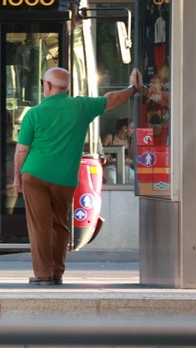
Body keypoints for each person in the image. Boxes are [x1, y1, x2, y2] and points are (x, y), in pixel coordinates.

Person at [13, 66, 142, 286]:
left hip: (35, 176)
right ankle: (56, 273)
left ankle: (43, 274)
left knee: (40, 226)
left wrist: (17, 177)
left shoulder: (34, 113)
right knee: (61, 225)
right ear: (67, 87)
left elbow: (22, 150)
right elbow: (110, 99)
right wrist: (132, 89)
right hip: (65, 178)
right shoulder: (81, 106)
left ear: (48, 86)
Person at [102, 118, 135, 184]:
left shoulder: (130, 140)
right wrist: (108, 159)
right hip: (110, 166)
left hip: (124, 167)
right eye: (132, 128)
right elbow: (101, 154)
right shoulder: (110, 137)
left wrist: (129, 161)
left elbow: (132, 158)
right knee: (112, 178)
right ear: (125, 128)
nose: (133, 131)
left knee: (133, 177)